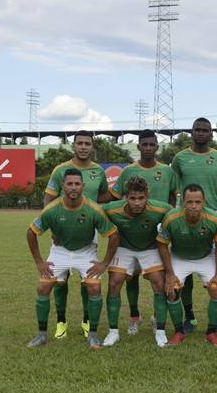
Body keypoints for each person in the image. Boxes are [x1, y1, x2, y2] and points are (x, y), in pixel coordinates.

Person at [26, 168, 120, 349]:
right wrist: (39, 261)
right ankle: (42, 335)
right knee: (43, 287)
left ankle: (92, 334)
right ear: (63, 186)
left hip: (86, 251)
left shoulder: (93, 209)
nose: (73, 188)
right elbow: (31, 233)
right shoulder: (52, 209)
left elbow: (113, 235)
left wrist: (103, 264)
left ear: (83, 186)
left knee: (94, 287)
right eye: (70, 184)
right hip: (59, 251)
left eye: (77, 184)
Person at [100, 129, 178, 335]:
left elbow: (172, 199)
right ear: (139, 147)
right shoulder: (128, 171)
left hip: (156, 234)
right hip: (129, 235)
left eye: (152, 144)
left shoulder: (168, 171)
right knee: (130, 277)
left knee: (158, 280)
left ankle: (156, 316)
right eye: (145, 144)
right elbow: (114, 198)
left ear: (157, 147)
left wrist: (167, 227)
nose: (149, 148)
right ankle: (134, 315)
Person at [43, 130, 110, 340]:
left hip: (89, 232)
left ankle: (87, 319)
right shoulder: (60, 170)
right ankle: (61, 321)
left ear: (92, 147)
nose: (83, 147)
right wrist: (54, 229)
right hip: (62, 232)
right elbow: (48, 200)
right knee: (60, 281)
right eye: (79, 143)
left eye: (87, 143)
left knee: (87, 280)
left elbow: (102, 196)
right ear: (74, 146)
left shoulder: (98, 171)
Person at [170, 118, 217, 333]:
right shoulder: (180, 158)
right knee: (185, 261)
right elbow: (172, 186)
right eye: (198, 130)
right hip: (186, 214)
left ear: (211, 133)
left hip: (214, 214)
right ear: (191, 132)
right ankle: (189, 316)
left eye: (206, 130)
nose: (202, 133)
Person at [101, 176, 172, 348]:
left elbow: (175, 220)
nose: (137, 203)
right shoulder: (111, 210)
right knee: (114, 283)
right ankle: (113, 332)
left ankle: (160, 329)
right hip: (124, 247)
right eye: (132, 198)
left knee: (158, 282)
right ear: (125, 197)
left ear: (147, 196)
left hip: (150, 248)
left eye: (141, 198)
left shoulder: (161, 209)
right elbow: (93, 219)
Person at [156, 184, 217, 346]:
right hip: (180, 257)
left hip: (205, 257)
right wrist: (169, 273)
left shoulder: (214, 219)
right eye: (189, 202)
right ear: (183, 202)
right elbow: (162, 244)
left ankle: (211, 332)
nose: (193, 206)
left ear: (204, 202)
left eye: (197, 202)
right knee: (172, 290)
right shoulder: (171, 218)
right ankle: (179, 332)